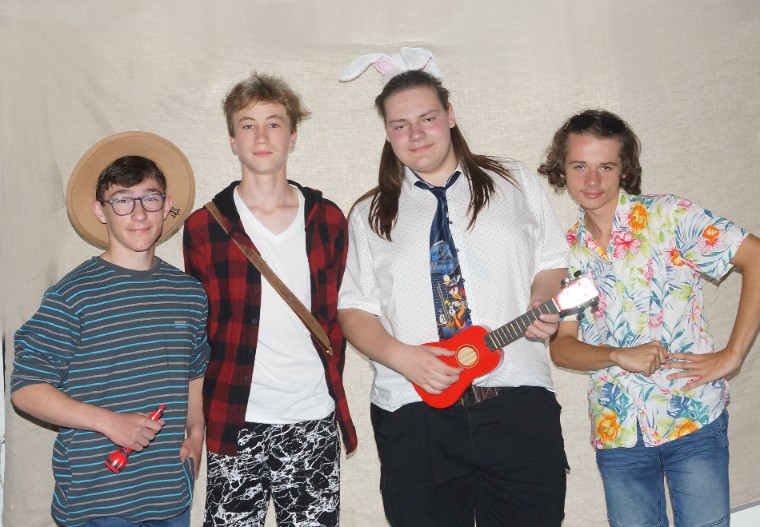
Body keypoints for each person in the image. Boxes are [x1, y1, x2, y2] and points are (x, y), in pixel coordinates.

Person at [337, 50, 570, 527]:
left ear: (450, 115)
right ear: (387, 133)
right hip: (414, 412)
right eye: (400, 125)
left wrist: (542, 299)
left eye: (427, 118)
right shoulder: (368, 215)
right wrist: (404, 357)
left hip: (516, 398)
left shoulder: (513, 181)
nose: (416, 134)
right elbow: (354, 309)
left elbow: (551, 261)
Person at [538, 109, 760, 526]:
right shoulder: (570, 253)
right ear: (562, 169)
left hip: (692, 418)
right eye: (579, 166)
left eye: (605, 166)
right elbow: (563, 347)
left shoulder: (669, 217)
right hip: (619, 434)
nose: (592, 180)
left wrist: (732, 355)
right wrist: (616, 354)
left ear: (624, 169)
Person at [182, 72, 357, 527]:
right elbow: (197, 335)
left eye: (274, 123)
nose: (261, 136)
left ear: (292, 136)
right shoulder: (204, 227)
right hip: (234, 419)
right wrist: (195, 423)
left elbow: (343, 315)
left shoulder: (328, 219)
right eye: (248, 125)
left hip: (313, 418)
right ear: (232, 140)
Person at [11, 132, 210, 527]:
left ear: (166, 205)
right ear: (100, 211)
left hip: (169, 498)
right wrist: (109, 422)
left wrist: (196, 434)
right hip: (97, 502)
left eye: (150, 198)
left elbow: (195, 371)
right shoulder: (73, 295)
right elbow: (26, 389)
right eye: (122, 200)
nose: (139, 214)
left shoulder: (189, 293)